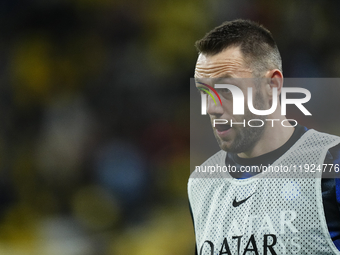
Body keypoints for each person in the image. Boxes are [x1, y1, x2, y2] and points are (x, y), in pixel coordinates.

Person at [188, 19, 340, 255]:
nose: (211, 108)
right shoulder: (201, 184)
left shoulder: (330, 164)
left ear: (273, 84)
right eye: (204, 91)